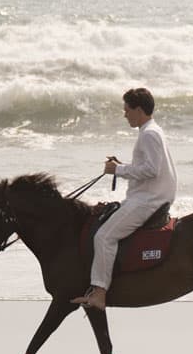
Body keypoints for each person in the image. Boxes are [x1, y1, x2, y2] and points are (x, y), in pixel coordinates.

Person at [73, 87, 178, 310]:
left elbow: (151, 170)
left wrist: (118, 170)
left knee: (103, 236)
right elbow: (148, 168)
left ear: (138, 110)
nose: (125, 114)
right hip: (150, 196)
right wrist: (121, 166)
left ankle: (99, 293)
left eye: (127, 110)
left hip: (149, 200)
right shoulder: (151, 130)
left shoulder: (149, 134)